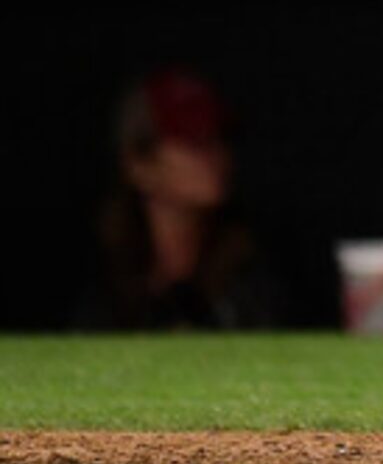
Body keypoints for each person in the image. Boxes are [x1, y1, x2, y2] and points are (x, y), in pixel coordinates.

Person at [77, 68, 280, 331]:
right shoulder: (101, 275)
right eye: (194, 142)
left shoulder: (255, 268)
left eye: (220, 138)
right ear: (138, 164)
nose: (216, 155)